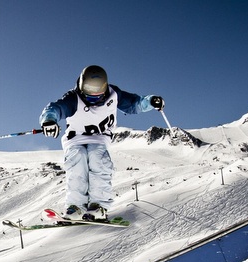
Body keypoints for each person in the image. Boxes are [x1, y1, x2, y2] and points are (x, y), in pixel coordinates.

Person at [40, 65, 164, 221]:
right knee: (77, 161)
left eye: (98, 95)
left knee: (97, 158)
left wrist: (151, 101)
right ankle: (76, 206)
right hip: (75, 139)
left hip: (99, 138)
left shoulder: (113, 94)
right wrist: (49, 120)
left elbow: (135, 103)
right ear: (81, 87)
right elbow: (55, 108)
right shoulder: (73, 98)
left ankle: (98, 206)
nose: (94, 99)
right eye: (89, 95)